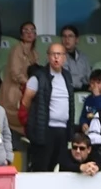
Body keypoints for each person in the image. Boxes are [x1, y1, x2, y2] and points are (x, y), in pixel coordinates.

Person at [22, 43, 75, 172]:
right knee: (42, 168)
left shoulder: (67, 76)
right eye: (53, 54)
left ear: (65, 57)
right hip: (45, 130)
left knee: (59, 168)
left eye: (59, 54)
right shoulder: (38, 76)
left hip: (63, 130)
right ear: (48, 57)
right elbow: (25, 102)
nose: (56, 58)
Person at [2, 22, 39, 133]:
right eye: (25, 30)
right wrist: (31, 85)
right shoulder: (17, 49)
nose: (29, 33)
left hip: (27, 91)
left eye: (32, 30)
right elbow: (15, 73)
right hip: (14, 91)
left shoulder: (34, 53)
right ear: (21, 35)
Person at [60, 25, 92, 90]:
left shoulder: (83, 57)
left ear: (76, 40)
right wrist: (83, 86)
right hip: (66, 90)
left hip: (85, 89)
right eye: (64, 36)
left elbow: (89, 76)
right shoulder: (56, 56)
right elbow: (65, 78)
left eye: (70, 36)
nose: (67, 39)